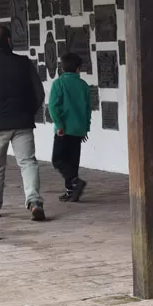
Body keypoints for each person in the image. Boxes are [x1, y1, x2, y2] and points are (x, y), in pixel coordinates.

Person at [0, 25, 47, 222]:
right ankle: (34, 202)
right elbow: (39, 93)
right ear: (8, 40)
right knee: (27, 162)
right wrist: (27, 112)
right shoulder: (23, 63)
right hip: (22, 122)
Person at [48, 51, 91, 202]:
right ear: (78, 69)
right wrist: (86, 128)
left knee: (58, 160)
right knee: (72, 160)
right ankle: (72, 191)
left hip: (63, 129)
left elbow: (53, 106)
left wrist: (59, 124)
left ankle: (74, 182)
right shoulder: (83, 85)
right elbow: (87, 109)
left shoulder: (58, 83)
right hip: (78, 129)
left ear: (62, 68)